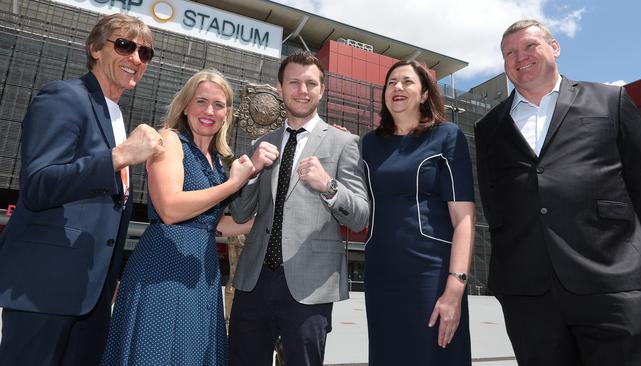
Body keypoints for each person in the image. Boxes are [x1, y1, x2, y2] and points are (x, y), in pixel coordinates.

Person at [475, 19, 641, 366]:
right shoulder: (488, 128)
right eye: (509, 52)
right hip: (529, 294)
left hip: (612, 284)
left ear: (554, 48)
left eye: (529, 46)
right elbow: (494, 204)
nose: (519, 57)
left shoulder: (610, 101)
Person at [0, 13, 163, 365]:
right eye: (124, 45)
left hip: (92, 293)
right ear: (94, 49)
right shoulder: (64, 96)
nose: (135, 58)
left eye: (145, 53)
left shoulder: (116, 116)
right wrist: (119, 157)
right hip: (45, 288)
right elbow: (39, 184)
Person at [101, 69, 254, 365]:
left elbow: (212, 222)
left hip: (202, 270)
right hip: (164, 266)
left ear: (227, 114)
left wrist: (263, 223)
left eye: (218, 105)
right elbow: (170, 208)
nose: (209, 111)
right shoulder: (169, 140)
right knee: (157, 353)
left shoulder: (218, 160)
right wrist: (233, 184)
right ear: (185, 106)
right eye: (201, 101)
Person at [228, 51, 369, 366]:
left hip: (310, 284)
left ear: (322, 90)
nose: (302, 90)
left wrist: (328, 185)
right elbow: (240, 214)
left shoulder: (343, 143)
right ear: (280, 89)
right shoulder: (261, 143)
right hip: (255, 280)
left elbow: (361, 215)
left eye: (310, 83)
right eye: (294, 82)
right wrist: (249, 175)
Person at [361, 60, 475, 366]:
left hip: (430, 273)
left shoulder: (447, 136)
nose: (397, 87)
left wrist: (455, 286)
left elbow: (463, 219)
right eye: (391, 82)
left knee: (434, 355)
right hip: (381, 271)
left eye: (407, 82)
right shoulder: (369, 143)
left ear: (424, 94)